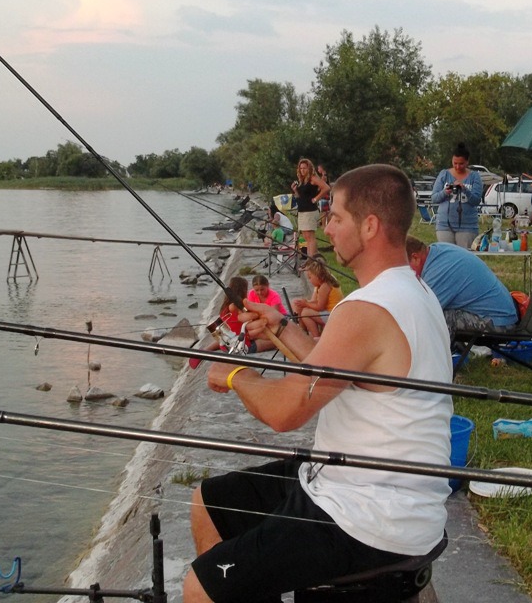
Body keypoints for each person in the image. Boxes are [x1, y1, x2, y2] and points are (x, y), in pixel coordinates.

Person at [183, 164, 452, 603]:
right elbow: (335, 369)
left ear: (369, 226)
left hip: (370, 516)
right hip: (354, 483)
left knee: (199, 588)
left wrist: (234, 374)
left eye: (335, 217)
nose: (326, 228)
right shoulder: (414, 292)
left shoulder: (366, 308)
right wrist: (283, 325)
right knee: (211, 501)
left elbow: (285, 411)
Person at [405, 236, 517, 333]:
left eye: (404, 267)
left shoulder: (439, 272)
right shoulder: (437, 252)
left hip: (499, 322)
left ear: (415, 258)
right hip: (500, 314)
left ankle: (435, 356)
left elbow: (422, 313)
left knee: (435, 319)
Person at [189, 277, 249, 370]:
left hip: (224, 345)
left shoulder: (224, 308)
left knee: (226, 336)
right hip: (239, 346)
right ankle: (205, 351)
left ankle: (205, 351)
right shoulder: (242, 307)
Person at [430, 142, 483, 248]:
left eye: (461, 164)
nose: (458, 167)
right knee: (447, 256)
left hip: (467, 226)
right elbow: (434, 198)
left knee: (464, 257)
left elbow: (476, 201)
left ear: (467, 162)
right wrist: (445, 192)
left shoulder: (475, 177)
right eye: (455, 163)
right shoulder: (444, 174)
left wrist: (465, 190)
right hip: (444, 225)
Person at [291, 256, 344, 337]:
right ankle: (303, 332)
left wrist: (306, 304)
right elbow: (316, 301)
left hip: (332, 315)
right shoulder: (323, 283)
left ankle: (316, 336)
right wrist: (303, 303)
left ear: (317, 276)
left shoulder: (325, 286)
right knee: (301, 306)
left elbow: (320, 307)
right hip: (330, 313)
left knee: (306, 313)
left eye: (310, 277)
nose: (310, 280)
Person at [291, 158, 330, 259]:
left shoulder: (313, 178)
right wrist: (295, 190)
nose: (302, 170)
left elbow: (326, 187)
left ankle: (312, 259)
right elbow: (300, 196)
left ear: (309, 168)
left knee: (310, 236)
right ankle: (312, 257)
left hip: (310, 210)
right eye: (301, 168)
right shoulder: (302, 180)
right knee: (305, 236)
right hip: (302, 210)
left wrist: (316, 198)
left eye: (304, 168)